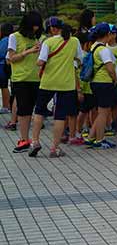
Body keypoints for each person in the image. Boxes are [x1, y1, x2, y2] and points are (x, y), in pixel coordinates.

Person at [29, 17, 81, 157]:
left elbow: (41, 62)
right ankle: (54, 148)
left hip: (48, 82)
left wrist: (35, 55)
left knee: (39, 111)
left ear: (51, 29)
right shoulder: (74, 41)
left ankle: (35, 141)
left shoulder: (48, 42)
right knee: (60, 116)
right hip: (66, 84)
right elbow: (79, 58)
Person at [8, 11, 43, 151]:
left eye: (38, 26)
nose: (35, 29)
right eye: (33, 26)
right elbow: (11, 58)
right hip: (20, 79)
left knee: (34, 110)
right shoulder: (14, 37)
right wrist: (28, 52)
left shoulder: (36, 38)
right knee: (23, 110)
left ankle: (33, 139)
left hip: (36, 78)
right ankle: (24, 140)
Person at [86, 24, 117, 149]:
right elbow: (110, 68)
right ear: (108, 35)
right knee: (103, 113)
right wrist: (115, 79)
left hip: (95, 82)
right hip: (104, 82)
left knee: (100, 112)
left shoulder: (94, 46)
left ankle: (91, 137)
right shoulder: (104, 50)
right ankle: (100, 139)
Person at [0, 22, 13, 115]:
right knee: (4, 86)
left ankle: (6, 106)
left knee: (3, 86)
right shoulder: (11, 39)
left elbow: (1, 53)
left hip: (2, 65)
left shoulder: (5, 40)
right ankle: (7, 106)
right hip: (5, 65)